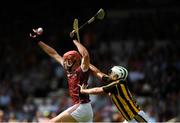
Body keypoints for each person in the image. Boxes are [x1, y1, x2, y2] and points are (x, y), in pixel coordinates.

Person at [29, 28, 93, 122]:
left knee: (52, 122)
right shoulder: (69, 70)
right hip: (85, 109)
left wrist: (74, 40)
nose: (65, 62)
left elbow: (85, 55)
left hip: (81, 107)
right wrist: (38, 41)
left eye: (68, 60)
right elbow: (53, 54)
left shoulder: (82, 70)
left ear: (74, 61)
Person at [79, 64, 150, 123]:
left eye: (111, 72)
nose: (109, 73)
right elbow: (98, 73)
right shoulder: (116, 83)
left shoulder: (117, 85)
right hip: (130, 119)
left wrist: (84, 91)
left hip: (136, 117)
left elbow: (98, 90)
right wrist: (87, 63)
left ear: (116, 76)